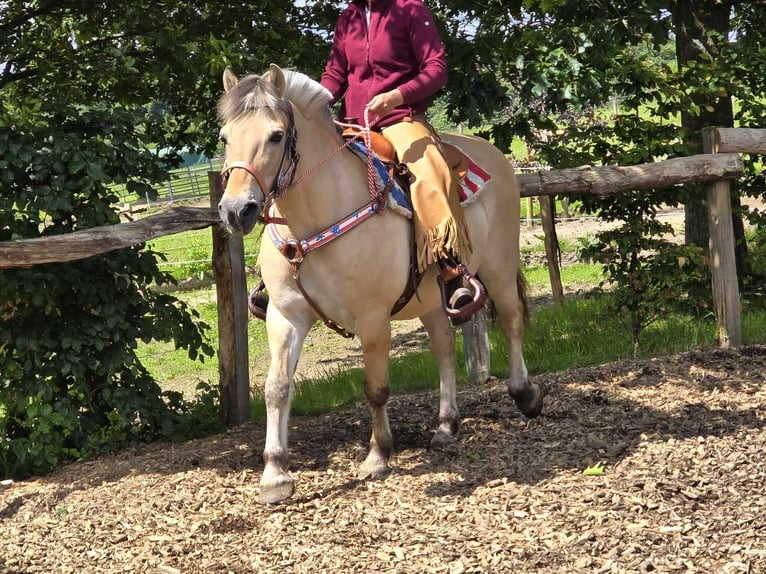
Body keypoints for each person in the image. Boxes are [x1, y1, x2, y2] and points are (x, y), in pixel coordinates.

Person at [320, 0, 482, 319]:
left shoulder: (410, 10)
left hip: (399, 118)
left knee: (430, 174)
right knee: (303, 168)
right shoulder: (348, 19)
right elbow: (335, 75)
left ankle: (450, 270)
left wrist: (397, 96)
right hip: (352, 122)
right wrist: (308, 102)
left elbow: (436, 70)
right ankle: (287, 274)